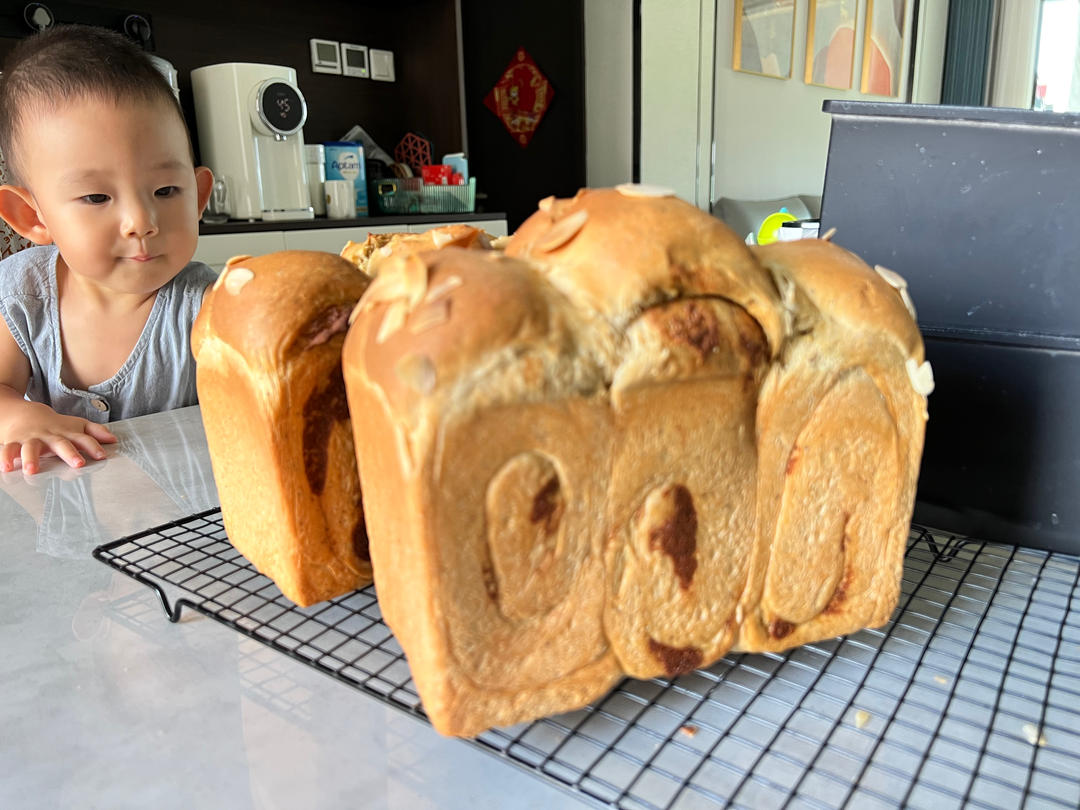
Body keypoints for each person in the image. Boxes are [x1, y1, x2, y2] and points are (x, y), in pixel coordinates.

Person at [0, 24, 215, 474]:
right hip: (62, 526)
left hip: (177, 523)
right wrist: (18, 416)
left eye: (166, 189)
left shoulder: (207, 304)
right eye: (97, 198)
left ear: (198, 195)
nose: (141, 222)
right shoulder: (22, 295)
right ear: (32, 218)